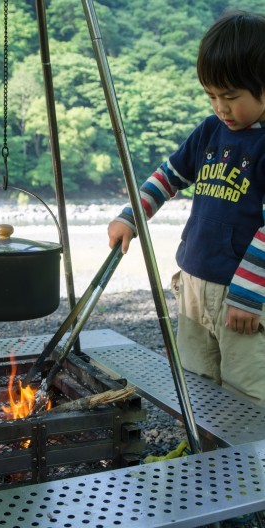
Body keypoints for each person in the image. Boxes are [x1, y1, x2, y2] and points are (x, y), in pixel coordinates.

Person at [108, 10, 265, 407]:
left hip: (244, 293)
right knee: (195, 381)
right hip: (194, 283)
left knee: (247, 389)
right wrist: (132, 216)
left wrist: (248, 295)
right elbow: (169, 175)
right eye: (212, 96)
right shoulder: (211, 131)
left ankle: (250, 466)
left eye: (231, 98)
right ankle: (199, 455)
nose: (220, 108)